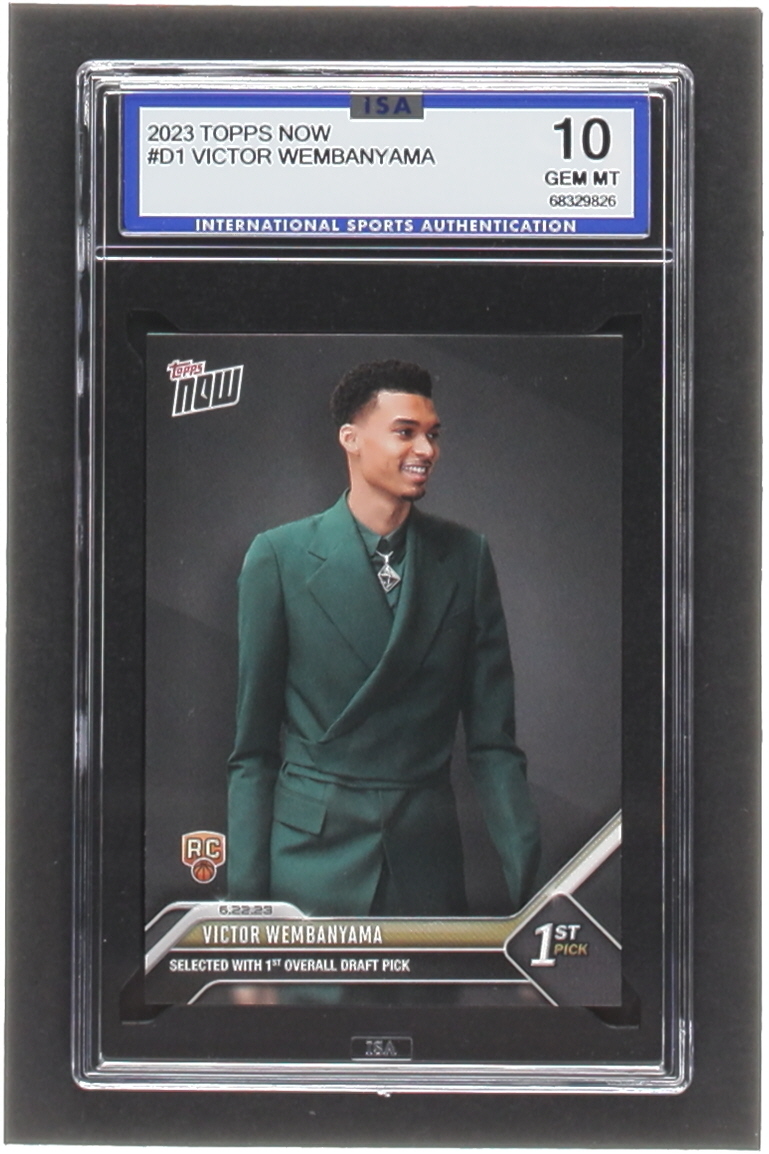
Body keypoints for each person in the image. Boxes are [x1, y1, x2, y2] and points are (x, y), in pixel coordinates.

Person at [227, 359, 540, 916]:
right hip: (311, 864)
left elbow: (493, 746)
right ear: (350, 439)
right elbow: (252, 753)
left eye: (432, 435)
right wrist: (246, 914)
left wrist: (534, 892)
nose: (425, 450)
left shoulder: (466, 557)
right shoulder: (277, 557)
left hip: (424, 863)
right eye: (405, 432)